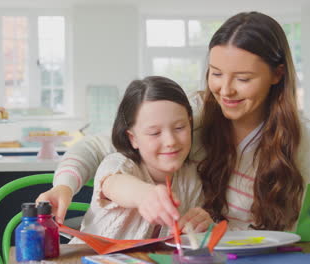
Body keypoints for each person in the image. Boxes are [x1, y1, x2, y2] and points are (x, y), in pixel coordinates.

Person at [36, 11, 310, 231]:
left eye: (243, 79)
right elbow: (98, 150)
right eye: (216, 73)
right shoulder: (189, 116)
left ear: (277, 75)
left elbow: (291, 231)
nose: (225, 89)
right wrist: (63, 186)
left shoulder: (301, 142)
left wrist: (216, 228)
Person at [68, 76, 212, 242]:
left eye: (180, 128)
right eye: (155, 133)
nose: (171, 141)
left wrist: (201, 228)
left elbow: (185, 241)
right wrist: (144, 195)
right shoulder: (119, 163)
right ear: (133, 138)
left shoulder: (191, 178)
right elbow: (113, 184)